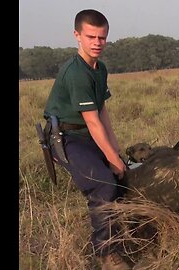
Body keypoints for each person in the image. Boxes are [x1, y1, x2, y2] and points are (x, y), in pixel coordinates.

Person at [43, 9, 130, 270]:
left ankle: (128, 234)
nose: (97, 43)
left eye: (102, 37)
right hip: (67, 138)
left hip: (89, 134)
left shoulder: (99, 68)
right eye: (90, 36)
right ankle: (105, 254)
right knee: (103, 185)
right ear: (77, 35)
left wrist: (115, 152)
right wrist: (113, 161)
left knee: (125, 178)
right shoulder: (76, 72)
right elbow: (92, 121)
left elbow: (102, 111)